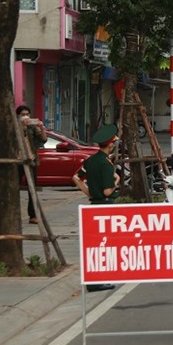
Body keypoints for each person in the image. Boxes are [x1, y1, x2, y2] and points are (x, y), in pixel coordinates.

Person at [72, 124, 121, 292]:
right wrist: (117, 181)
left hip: (94, 205)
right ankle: (99, 281)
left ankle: (94, 281)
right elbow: (108, 190)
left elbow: (76, 177)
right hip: (105, 206)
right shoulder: (105, 164)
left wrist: (89, 193)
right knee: (105, 244)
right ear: (111, 145)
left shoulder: (91, 160)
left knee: (95, 245)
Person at [17, 105, 47, 224]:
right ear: (18, 116)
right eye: (23, 114)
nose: (25, 117)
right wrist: (22, 128)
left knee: (32, 189)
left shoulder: (32, 127)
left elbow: (43, 139)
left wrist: (41, 127)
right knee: (15, 188)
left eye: (27, 114)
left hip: (31, 160)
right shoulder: (14, 127)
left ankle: (33, 215)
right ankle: (15, 214)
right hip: (17, 161)